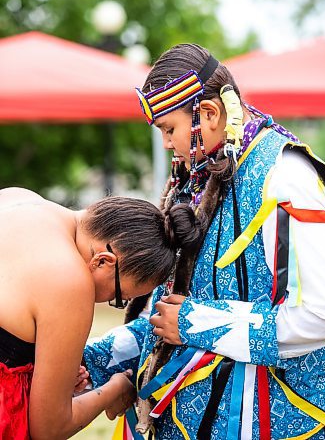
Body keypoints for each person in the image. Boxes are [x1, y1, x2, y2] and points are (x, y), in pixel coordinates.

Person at [83, 44, 325, 439]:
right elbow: (173, 310)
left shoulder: (286, 179)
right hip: (189, 417)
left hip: (272, 419)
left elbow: (323, 313)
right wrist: (96, 359)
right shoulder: (201, 176)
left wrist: (199, 323)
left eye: (169, 129)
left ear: (210, 114)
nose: (166, 144)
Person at [0, 186, 202, 439]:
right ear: (104, 261)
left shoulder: (17, 199)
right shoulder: (70, 280)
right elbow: (49, 428)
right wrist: (115, 389)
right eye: (119, 298)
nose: (100, 302)